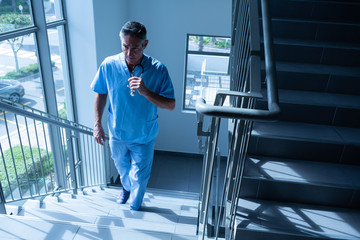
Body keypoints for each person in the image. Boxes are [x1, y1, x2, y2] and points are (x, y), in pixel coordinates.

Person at [91, 21, 175, 211]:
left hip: (144, 136)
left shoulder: (158, 69)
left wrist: (146, 92)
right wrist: (97, 124)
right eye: (125, 47)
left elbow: (170, 105)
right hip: (117, 134)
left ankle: (135, 207)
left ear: (145, 45)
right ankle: (126, 188)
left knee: (140, 177)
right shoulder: (109, 64)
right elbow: (100, 92)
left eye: (135, 48)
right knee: (123, 170)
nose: (129, 53)